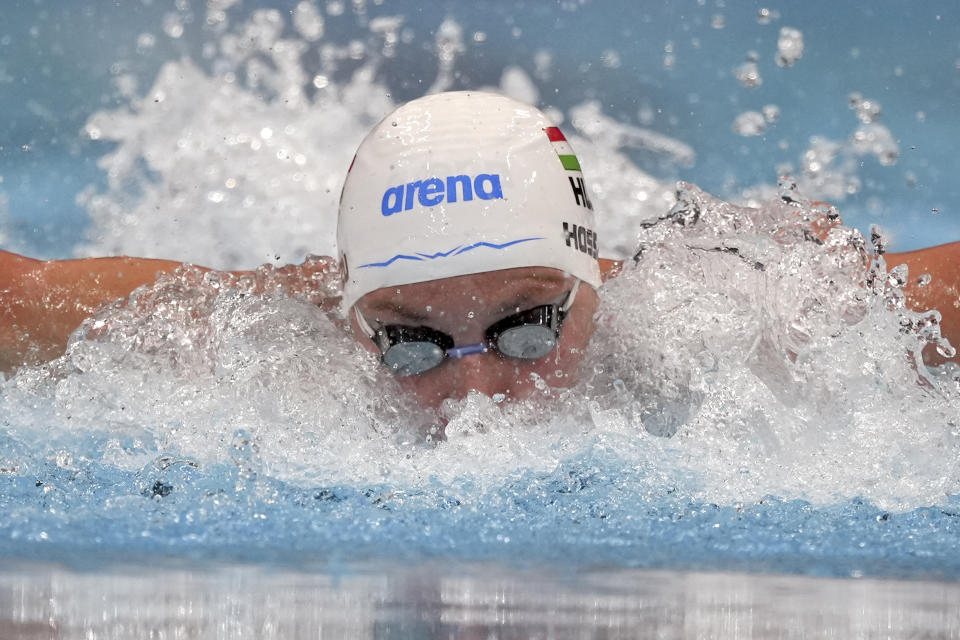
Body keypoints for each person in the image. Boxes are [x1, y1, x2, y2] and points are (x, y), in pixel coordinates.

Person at [1, 91, 958, 408]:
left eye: (529, 331)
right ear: (353, 315)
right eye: (408, 344)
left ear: (592, 289)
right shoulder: (255, 346)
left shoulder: (735, 311)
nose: (474, 395)